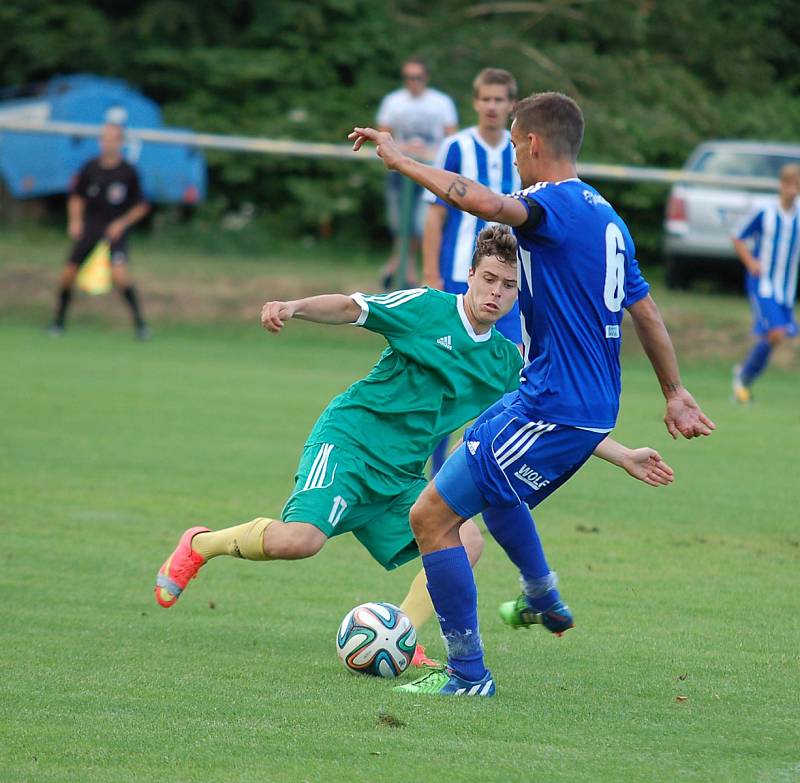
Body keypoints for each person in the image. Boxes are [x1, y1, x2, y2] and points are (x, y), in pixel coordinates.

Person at [153, 225, 674, 668]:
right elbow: (353, 307)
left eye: (508, 286)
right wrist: (294, 306)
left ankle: (402, 634)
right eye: (488, 279)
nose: (495, 292)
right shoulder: (426, 309)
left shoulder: (504, 358)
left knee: (465, 541)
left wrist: (623, 454)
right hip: (351, 444)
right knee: (301, 542)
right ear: (470, 275)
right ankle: (200, 543)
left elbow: (551, 420)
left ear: (520, 294)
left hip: (401, 475)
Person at [349, 91, 714, 697]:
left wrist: (405, 163)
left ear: (534, 145)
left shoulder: (552, 204)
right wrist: (673, 392)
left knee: (431, 516)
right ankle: (541, 593)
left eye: (516, 145)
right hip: (563, 402)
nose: (514, 157)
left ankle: (468, 675)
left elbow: (486, 203)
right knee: (485, 480)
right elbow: (644, 310)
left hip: (553, 407)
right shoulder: (609, 219)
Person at [422, 67, 522, 475]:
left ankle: (477, 461)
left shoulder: (522, 152)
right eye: (486, 99)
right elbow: (434, 216)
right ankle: (432, 471)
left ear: (511, 104)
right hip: (458, 278)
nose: (493, 106)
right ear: (476, 102)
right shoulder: (457, 147)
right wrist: (431, 274)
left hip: (512, 285)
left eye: (500, 99)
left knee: (512, 372)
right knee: (446, 373)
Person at [48, 122, 150, 339]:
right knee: (68, 275)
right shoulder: (90, 167)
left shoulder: (129, 172)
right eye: (104, 138)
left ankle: (141, 326)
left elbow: (142, 206)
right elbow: (76, 197)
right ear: (100, 141)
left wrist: (121, 223)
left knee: (120, 276)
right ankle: (58, 324)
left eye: (113, 138)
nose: (108, 142)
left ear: (120, 142)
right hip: (90, 229)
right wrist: (75, 221)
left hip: (114, 233)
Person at [376, 57, 458, 291]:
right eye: (408, 78)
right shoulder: (392, 102)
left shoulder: (441, 102)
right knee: (400, 225)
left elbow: (451, 137)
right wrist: (403, 150)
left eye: (417, 77)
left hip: (429, 171)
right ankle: (406, 273)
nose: (413, 82)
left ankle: (398, 268)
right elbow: (383, 135)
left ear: (426, 78)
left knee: (421, 224)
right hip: (399, 170)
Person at [731, 163, 800, 403]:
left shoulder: (799, 216)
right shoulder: (765, 212)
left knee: (775, 337)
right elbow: (738, 236)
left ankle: (744, 378)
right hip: (763, 285)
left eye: (797, 185)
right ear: (782, 185)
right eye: (789, 184)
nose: (793, 190)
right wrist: (750, 261)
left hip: (786, 289)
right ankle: (743, 378)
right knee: (776, 333)